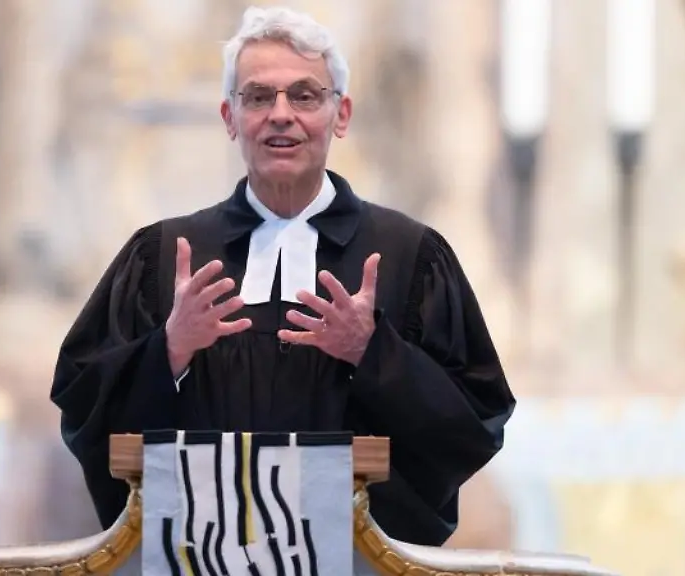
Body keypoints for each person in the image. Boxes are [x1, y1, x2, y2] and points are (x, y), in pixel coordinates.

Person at [50, 5, 515, 547]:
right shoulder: (161, 255)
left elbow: (475, 423)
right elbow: (81, 406)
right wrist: (167, 351)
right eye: (257, 97)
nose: (280, 114)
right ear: (229, 117)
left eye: (304, 95)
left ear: (341, 115)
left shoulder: (410, 257)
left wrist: (376, 355)